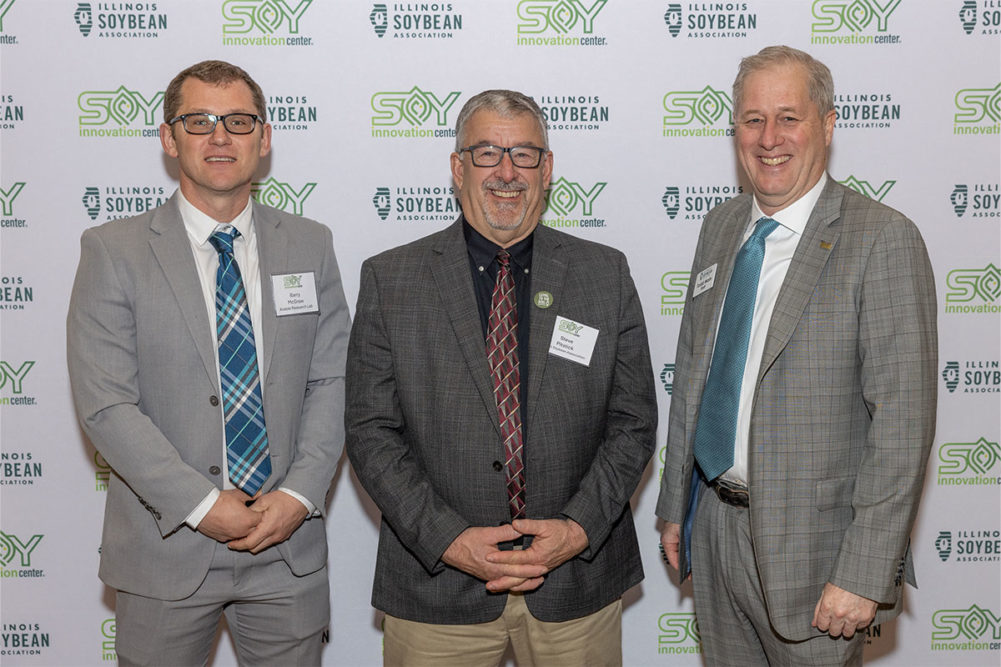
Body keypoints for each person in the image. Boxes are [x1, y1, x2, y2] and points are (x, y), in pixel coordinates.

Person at [345, 89, 657, 666]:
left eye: (525, 155)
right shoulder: (392, 279)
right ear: (458, 168)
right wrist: (450, 541)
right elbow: (370, 433)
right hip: (435, 587)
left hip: (574, 586)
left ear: (548, 169)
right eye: (487, 154)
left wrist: (577, 528)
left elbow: (633, 423)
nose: (507, 173)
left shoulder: (604, 273)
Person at [656, 45, 938, 665]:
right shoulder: (721, 227)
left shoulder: (883, 239)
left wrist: (864, 572)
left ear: (828, 125)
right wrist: (677, 506)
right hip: (717, 531)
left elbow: (903, 425)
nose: (769, 138)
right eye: (753, 119)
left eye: (789, 117)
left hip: (817, 558)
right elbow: (696, 375)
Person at [67, 60, 350, 665]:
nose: (221, 136)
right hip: (165, 546)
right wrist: (202, 505)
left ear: (265, 137)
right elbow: (106, 405)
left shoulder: (311, 243)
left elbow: (332, 381)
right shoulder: (112, 252)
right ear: (169, 139)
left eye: (239, 121)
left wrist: (300, 494)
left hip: (286, 548)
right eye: (199, 121)